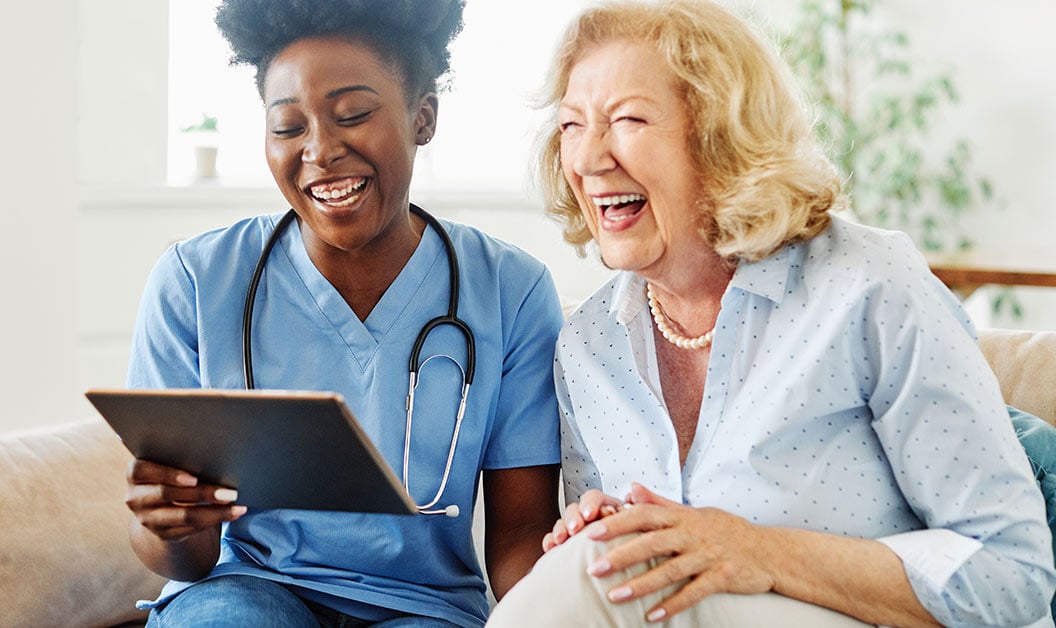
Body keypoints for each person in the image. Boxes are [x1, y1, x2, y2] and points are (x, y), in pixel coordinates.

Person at [487, 1, 1056, 626]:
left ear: (719, 138)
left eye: (627, 120)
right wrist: (611, 531)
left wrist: (757, 551)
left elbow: (1013, 572)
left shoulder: (868, 288)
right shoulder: (589, 345)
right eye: (571, 126)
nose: (589, 158)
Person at [123, 1, 562, 626]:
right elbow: (180, 558)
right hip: (246, 591)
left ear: (424, 116)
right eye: (287, 127)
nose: (321, 149)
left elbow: (522, 537)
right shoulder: (195, 282)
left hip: (425, 609)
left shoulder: (510, 290)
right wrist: (165, 524)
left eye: (352, 115)